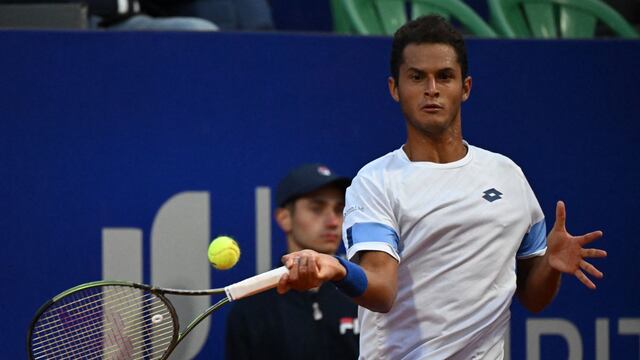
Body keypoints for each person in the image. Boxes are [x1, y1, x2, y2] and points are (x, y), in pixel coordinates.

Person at [276, 15, 607, 360]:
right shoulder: (375, 181)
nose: (431, 88)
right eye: (417, 77)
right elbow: (382, 290)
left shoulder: (508, 175)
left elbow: (534, 298)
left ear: (465, 87)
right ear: (395, 88)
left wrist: (551, 266)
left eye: (444, 76)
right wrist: (341, 269)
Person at [225, 163, 359, 360]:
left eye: (339, 210)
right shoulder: (252, 308)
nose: (334, 222)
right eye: (317, 208)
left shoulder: (364, 296)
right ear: (284, 218)